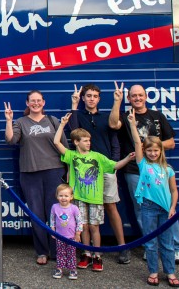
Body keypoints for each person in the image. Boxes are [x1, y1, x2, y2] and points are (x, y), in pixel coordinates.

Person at [109, 82, 179, 264]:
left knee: (167, 208)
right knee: (142, 210)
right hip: (135, 171)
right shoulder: (125, 116)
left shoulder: (157, 116)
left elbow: (171, 143)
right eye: (133, 96)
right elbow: (113, 124)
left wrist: (146, 146)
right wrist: (117, 101)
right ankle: (151, 247)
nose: (137, 98)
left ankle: (177, 248)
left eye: (140, 95)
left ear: (145, 97)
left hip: (159, 170)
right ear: (129, 99)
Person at [53, 113, 133, 272]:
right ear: (76, 142)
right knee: (84, 227)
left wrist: (128, 159)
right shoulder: (72, 156)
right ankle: (86, 253)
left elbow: (115, 166)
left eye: (89, 140)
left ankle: (97, 255)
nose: (89, 143)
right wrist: (62, 125)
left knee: (95, 227)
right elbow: (56, 142)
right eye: (85, 141)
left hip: (96, 199)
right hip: (79, 198)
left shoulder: (98, 157)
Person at [69, 84, 131, 264]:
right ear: (83, 98)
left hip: (105, 169)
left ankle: (122, 247)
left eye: (95, 96)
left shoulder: (106, 117)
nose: (91, 99)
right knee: (85, 212)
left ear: (99, 99)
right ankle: (87, 251)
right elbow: (73, 132)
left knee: (111, 206)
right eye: (88, 96)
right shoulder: (78, 116)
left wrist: (114, 164)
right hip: (84, 171)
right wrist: (73, 106)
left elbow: (115, 140)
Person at [4, 90, 66, 265]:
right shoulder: (21, 122)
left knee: (56, 212)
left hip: (54, 171)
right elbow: (11, 140)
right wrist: (9, 121)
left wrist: (68, 170)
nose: (36, 103)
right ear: (27, 103)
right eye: (33, 101)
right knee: (37, 214)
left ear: (44, 103)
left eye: (39, 100)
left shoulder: (53, 121)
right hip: (30, 173)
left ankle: (58, 250)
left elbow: (64, 146)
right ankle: (42, 251)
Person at [127, 110, 179, 287]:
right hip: (148, 208)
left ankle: (170, 272)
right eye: (149, 150)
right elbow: (137, 141)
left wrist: (173, 207)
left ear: (161, 151)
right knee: (150, 243)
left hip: (166, 209)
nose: (152, 153)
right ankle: (153, 271)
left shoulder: (169, 169)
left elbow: (174, 191)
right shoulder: (143, 165)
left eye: (156, 150)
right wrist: (133, 125)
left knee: (167, 243)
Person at [50, 184, 83, 280]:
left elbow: (79, 221)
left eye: (66, 196)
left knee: (71, 253)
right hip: (59, 236)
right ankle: (59, 269)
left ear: (71, 197)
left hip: (71, 236)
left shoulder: (74, 208)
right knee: (60, 253)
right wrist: (52, 230)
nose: (63, 198)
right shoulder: (54, 207)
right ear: (57, 196)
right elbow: (52, 219)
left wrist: (78, 233)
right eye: (60, 195)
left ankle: (72, 270)